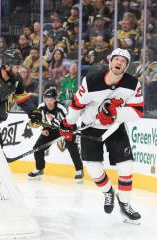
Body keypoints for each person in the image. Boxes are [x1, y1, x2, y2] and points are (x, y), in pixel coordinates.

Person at [59, 48, 143, 223]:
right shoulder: (91, 81)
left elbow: (137, 112)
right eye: (116, 59)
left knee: (126, 166)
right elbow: (76, 104)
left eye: (123, 61)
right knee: (93, 168)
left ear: (126, 66)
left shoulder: (133, 84)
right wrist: (68, 124)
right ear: (110, 61)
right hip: (90, 128)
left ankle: (125, 205)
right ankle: (108, 192)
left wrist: (115, 115)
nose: (119, 63)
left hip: (114, 128)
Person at [27, 87, 84, 183]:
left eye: (51, 99)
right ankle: (39, 168)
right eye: (46, 99)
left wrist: (54, 120)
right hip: (51, 129)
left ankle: (79, 170)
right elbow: (39, 120)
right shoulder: (41, 107)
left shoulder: (61, 108)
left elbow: (68, 122)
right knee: (37, 148)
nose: (48, 102)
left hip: (67, 128)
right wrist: (44, 129)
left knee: (72, 147)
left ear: (55, 99)